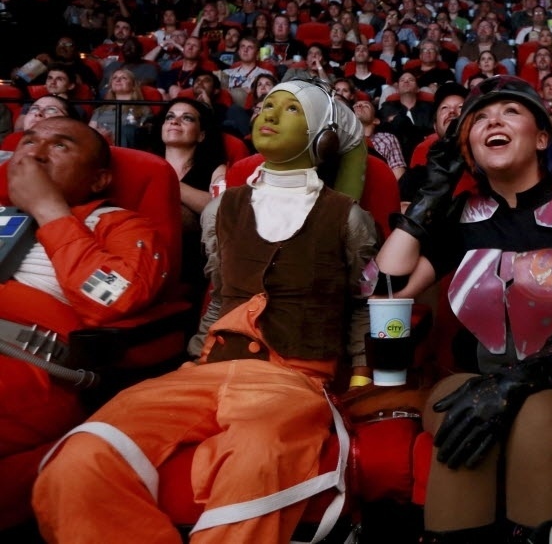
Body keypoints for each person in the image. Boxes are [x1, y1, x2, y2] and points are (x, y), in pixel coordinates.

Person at [33, 80, 379, 543]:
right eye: (265, 106)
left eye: (290, 108)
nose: (269, 115)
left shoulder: (348, 218)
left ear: (322, 134)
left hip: (292, 376)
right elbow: (219, 295)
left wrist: (359, 374)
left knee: (257, 459)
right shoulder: (221, 210)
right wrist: (197, 357)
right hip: (209, 367)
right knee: (83, 453)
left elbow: (356, 304)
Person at [372, 76, 552, 543]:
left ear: (543, 137)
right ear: (468, 146)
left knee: (535, 417)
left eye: (510, 112)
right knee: (460, 409)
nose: (493, 120)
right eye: (480, 118)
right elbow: (386, 291)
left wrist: (513, 383)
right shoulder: (460, 216)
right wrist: (430, 198)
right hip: (469, 376)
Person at [0, 117, 168, 529]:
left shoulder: (119, 224)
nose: (35, 152)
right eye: (29, 140)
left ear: (99, 180)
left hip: (29, 364)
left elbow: (114, 297)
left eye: (59, 146)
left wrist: (48, 209)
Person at [147, 98, 228, 300]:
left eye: (187, 118)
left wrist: (170, 181)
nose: (175, 122)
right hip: (143, 250)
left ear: (201, 135)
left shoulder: (216, 169)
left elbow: (219, 208)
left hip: (190, 259)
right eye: (170, 117)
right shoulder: (144, 163)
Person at [88, 68, 151, 148]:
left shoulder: (142, 109)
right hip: (100, 147)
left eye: (124, 78)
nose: (118, 80)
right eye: (115, 78)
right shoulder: (100, 110)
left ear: (133, 86)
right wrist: (99, 136)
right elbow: (89, 133)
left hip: (127, 150)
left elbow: (142, 135)